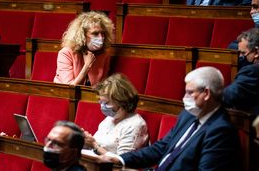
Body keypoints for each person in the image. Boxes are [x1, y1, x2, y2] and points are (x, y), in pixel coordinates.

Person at [97, 66, 241, 171]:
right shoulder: (187, 116)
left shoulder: (221, 131)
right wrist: (120, 159)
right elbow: (161, 148)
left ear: (207, 93)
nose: (185, 98)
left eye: (190, 93)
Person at [83, 73, 148, 155]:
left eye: (106, 103)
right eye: (101, 102)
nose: (102, 107)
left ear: (121, 101)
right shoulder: (111, 117)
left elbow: (122, 162)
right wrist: (85, 141)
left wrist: (94, 146)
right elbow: (97, 145)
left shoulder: (135, 125)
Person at [54, 11, 114, 87]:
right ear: (82, 35)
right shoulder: (66, 53)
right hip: (65, 95)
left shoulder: (104, 54)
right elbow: (69, 88)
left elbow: (102, 86)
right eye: (95, 33)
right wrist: (87, 65)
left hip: (92, 96)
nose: (100, 37)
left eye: (102, 33)